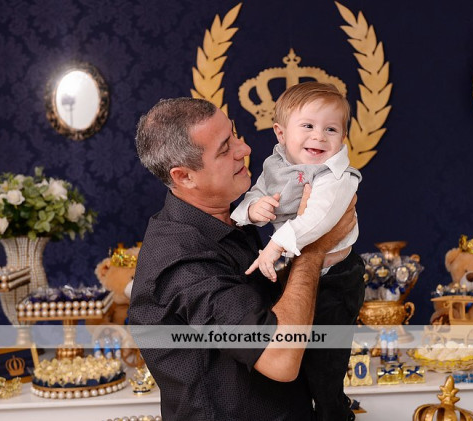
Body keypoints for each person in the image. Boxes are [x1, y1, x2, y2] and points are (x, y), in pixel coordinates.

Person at [129, 96, 358, 421]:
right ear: (184, 177)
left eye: (234, 134)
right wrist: (313, 249)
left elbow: (268, 310)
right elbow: (280, 358)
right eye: (225, 149)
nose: (245, 149)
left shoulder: (231, 221)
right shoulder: (183, 262)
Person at [230, 81, 365, 421]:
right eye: (308, 126)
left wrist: (274, 245)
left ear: (343, 137)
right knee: (296, 353)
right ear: (281, 132)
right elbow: (255, 192)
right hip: (300, 269)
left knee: (326, 363)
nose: (319, 137)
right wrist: (253, 209)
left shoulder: (337, 177)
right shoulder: (275, 165)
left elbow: (317, 220)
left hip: (336, 279)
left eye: (331, 129)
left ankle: (334, 414)